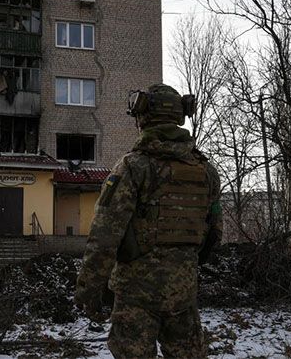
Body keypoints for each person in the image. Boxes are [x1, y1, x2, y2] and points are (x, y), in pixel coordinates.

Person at [75, 83, 223, 358]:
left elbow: (104, 236)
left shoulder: (133, 167)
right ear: (179, 118)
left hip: (135, 298)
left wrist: (89, 290)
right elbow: (214, 234)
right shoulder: (206, 171)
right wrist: (181, 267)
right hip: (183, 296)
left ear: (143, 118)